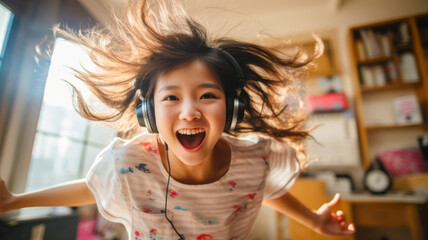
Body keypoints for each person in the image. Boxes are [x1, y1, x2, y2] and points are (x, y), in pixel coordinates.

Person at [0, 0, 355, 239]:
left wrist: (313, 220)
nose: (189, 112)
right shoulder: (127, 163)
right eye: (171, 97)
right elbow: (92, 186)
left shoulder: (257, 160)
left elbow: (262, 189)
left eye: (208, 96)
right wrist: (15, 200)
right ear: (149, 112)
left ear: (233, 109)